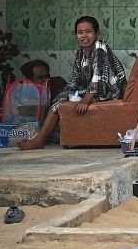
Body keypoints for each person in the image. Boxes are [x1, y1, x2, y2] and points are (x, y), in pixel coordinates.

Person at [18, 16, 127, 151]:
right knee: (58, 100)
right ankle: (45, 136)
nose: (84, 36)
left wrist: (85, 100)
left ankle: (39, 140)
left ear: (96, 33)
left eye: (88, 31)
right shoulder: (81, 52)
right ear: (76, 34)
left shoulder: (100, 48)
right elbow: (75, 79)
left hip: (109, 91)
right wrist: (64, 94)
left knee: (58, 104)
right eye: (80, 32)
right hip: (94, 89)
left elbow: (99, 77)